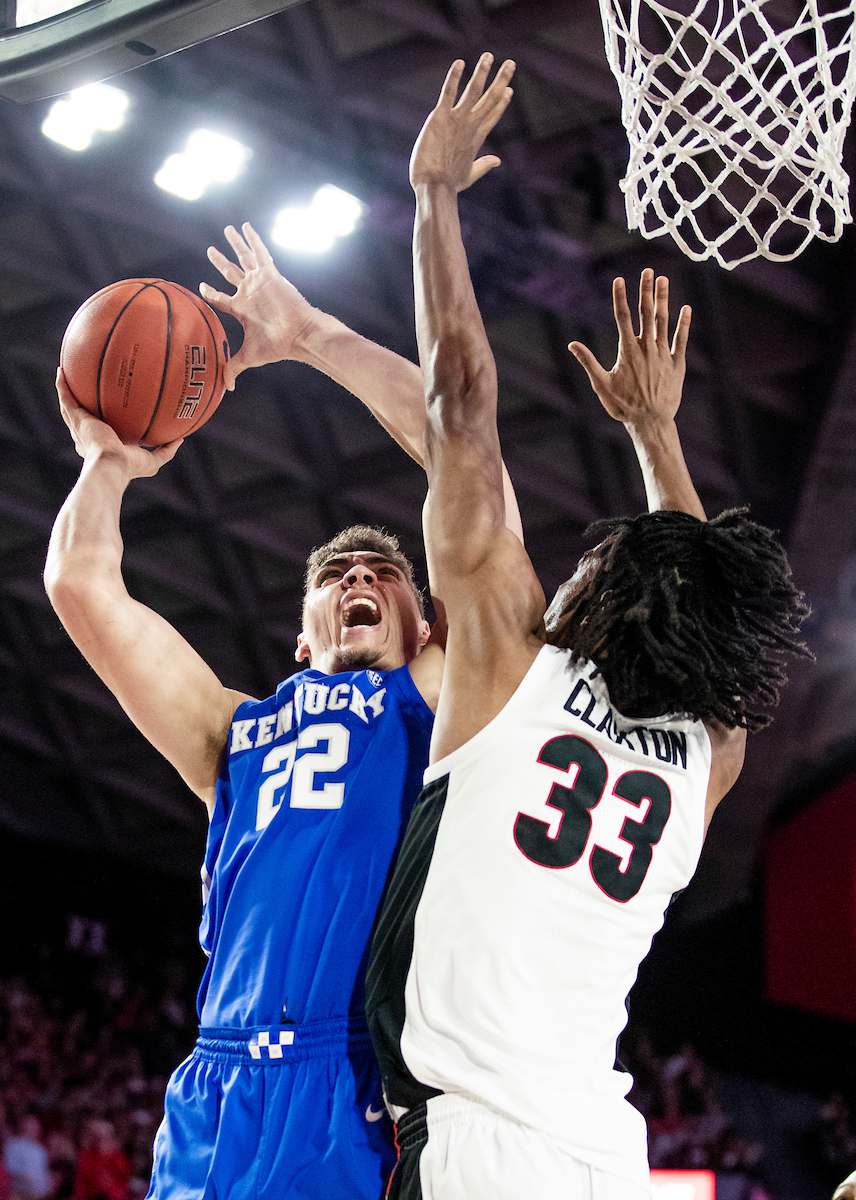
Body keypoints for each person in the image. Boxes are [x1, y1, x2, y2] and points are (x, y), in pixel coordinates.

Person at [365, 54, 812, 1200]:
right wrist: (657, 437)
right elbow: (705, 605)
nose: (566, 572)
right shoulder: (705, 758)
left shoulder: (511, 672)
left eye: (587, 567)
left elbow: (460, 407)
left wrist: (433, 198)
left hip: (479, 1149)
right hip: (605, 1156)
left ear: (595, 603)